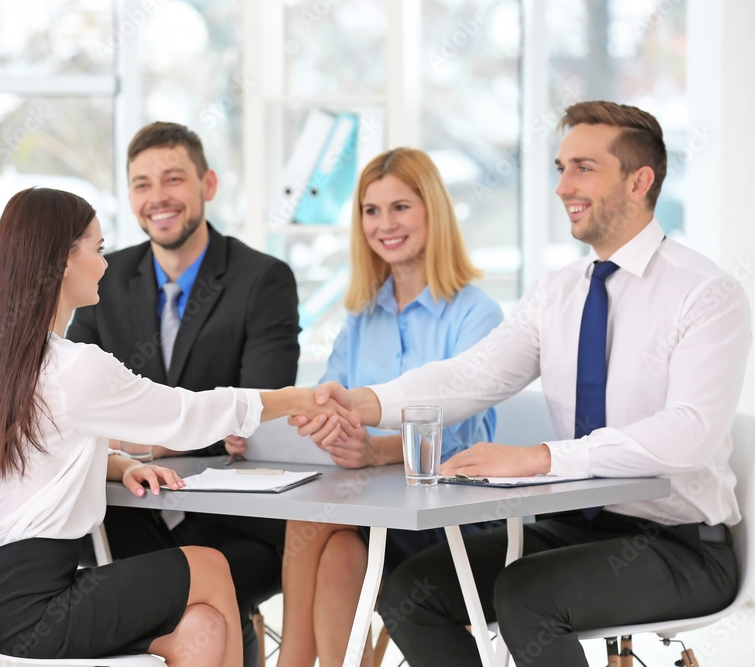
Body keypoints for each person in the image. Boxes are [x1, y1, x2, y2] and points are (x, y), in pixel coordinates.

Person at [299, 101, 752, 666]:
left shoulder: (704, 292)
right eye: (560, 168)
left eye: (583, 167)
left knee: (526, 594)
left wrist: (540, 457)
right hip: (573, 527)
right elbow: (474, 373)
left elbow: (691, 435)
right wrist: (369, 403)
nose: (563, 187)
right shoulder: (556, 291)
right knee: (413, 595)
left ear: (640, 181)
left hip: (679, 545)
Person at [0, 187, 346, 666]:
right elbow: (186, 416)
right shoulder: (77, 367)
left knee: (201, 628)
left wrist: (114, 464)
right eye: (96, 250)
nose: (105, 263)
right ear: (62, 262)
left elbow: (45, 448)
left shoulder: (6, 358)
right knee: (210, 564)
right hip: (32, 608)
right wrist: (293, 398)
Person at [225, 147, 500, 667]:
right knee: (339, 549)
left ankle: (292, 661)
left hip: (449, 525)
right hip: (367, 522)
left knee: (318, 516)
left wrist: (374, 451)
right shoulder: (361, 317)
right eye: (371, 211)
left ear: (432, 211)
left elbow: (460, 439)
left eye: (400, 207)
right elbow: (325, 406)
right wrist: (262, 433)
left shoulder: (474, 314)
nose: (384, 224)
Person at [65, 121, 301, 666]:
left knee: (206, 595)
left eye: (173, 179)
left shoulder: (262, 280)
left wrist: (137, 440)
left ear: (208, 184)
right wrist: (169, 438)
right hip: (129, 506)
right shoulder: (101, 274)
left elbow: (253, 410)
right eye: (142, 184)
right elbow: (73, 404)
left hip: (230, 520)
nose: (158, 197)